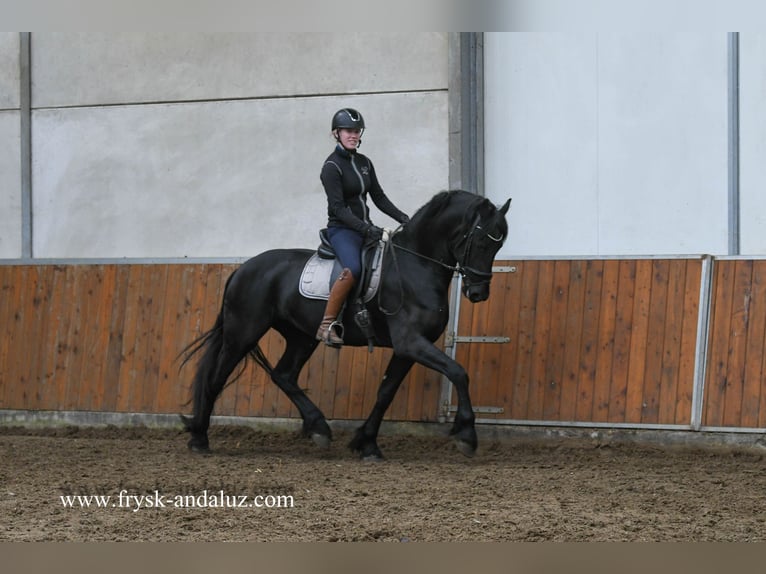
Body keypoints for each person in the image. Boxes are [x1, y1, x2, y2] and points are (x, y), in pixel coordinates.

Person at [316, 108, 410, 346]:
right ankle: (326, 326)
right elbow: (338, 209)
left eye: (357, 131)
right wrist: (366, 229)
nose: (353, 135)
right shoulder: (331, 167)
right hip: (342, 231)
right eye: (348, 131)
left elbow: (378, 196)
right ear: (336, 133)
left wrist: (404, 218)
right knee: (354, 269)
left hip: (365, 228)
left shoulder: (364, 162)